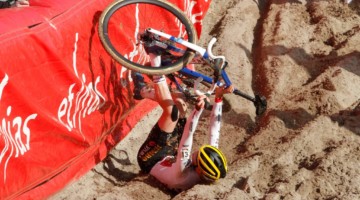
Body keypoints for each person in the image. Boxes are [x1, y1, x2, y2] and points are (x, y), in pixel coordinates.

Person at [134, 52, 233, 191]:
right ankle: (143, 91)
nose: (197, 151)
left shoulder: (182, 173)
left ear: (198, 170)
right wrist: (218, 98)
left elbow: (188, 135)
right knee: (181, 103)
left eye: (198, 154)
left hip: (150, 160)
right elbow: (215, 130)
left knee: (172, 113)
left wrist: (197, 111)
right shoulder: (204, 167)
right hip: (170, 155)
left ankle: (155, 62)